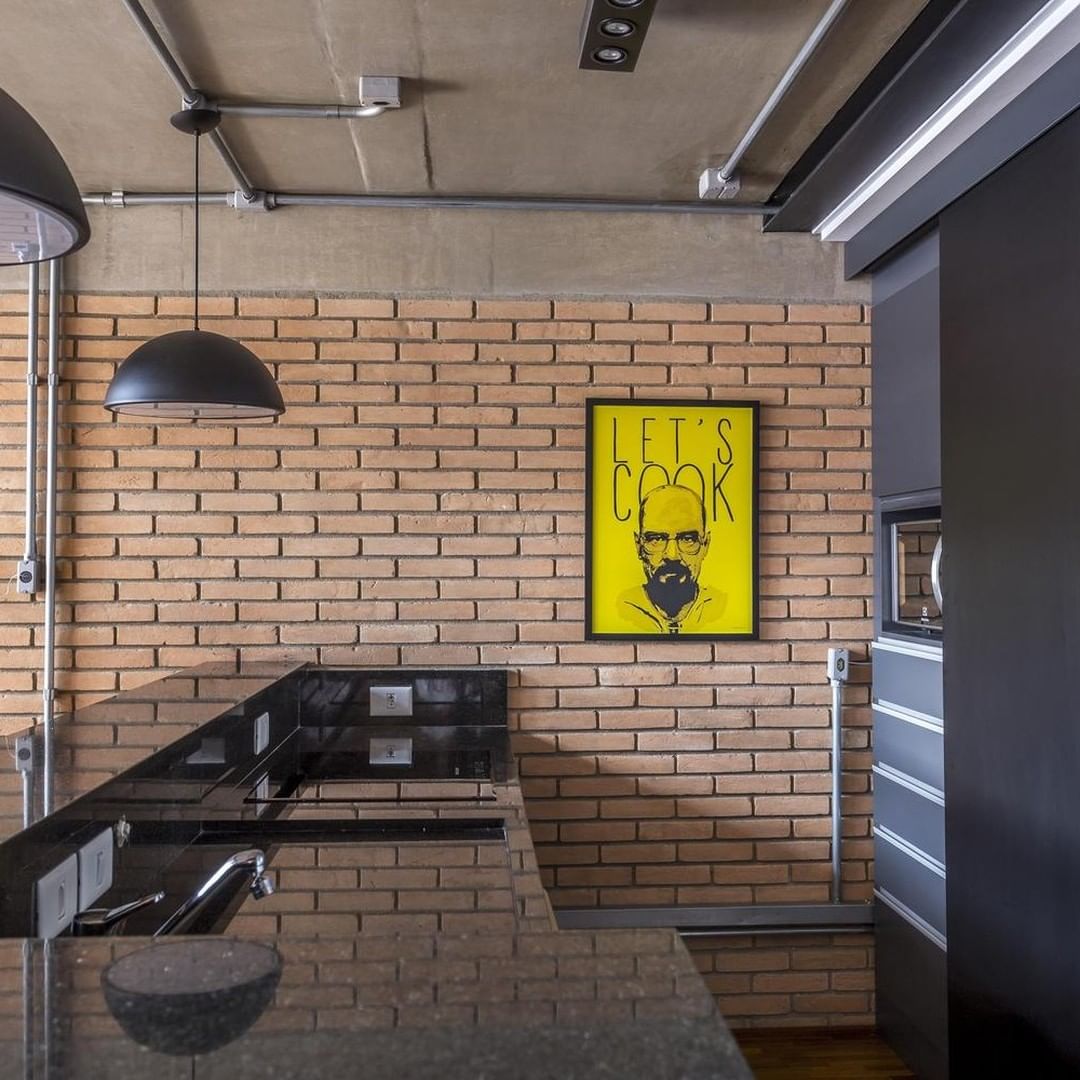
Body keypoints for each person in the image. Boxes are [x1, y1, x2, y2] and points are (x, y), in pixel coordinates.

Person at [616, 484, 726, 634]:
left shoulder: (722, 608)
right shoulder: (622, 610)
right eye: (656, 539)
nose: (672, 555)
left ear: (705, 544)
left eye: (687, 539)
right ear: (639, 546)